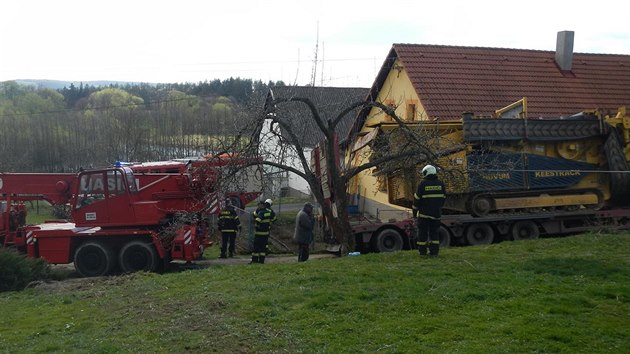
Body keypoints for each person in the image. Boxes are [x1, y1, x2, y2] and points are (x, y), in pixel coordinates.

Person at [412, 164, 447, 256]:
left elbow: (416, 200)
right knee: (434, 234)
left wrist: (414, 214)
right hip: (436, 215)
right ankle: (434, 252)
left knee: (422, 234)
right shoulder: (440, 184)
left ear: (426, 173)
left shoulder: (422, 184)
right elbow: (443, 198)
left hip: (424, 215)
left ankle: (422, 252)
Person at [251, 199, 276, 264]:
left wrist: (256, 225)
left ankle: (254, 260)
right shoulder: (270, 211)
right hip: (266, 232)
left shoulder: (260, 211)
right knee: (263, 247)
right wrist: (269, 222)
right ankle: (261, 261)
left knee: (256, 247)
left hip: (259, 233)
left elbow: (256, 218)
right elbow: (274, 219)